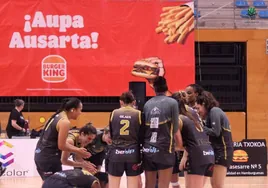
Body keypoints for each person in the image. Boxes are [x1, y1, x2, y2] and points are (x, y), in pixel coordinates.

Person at [34, 98, 91, 181]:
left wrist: (78, 150)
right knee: (54, 184)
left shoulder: (56, 116)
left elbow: (60, 142)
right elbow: (61, 145)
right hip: (49, 158)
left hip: (41, 156)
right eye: (80, 110)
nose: (80, 113)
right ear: (73, 109)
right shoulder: (65, 122)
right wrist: (78, 150)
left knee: (48, 184)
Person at [143, 76, 183, 188]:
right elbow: (175, 128)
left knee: (149, 185)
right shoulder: (172, 103)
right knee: (163, 185)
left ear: (154, 88)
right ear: (166, 87)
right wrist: (180, 146)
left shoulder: (147, 104)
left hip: (148, 149)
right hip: (164, 149)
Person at [172, 91, 215, 188]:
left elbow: (179, 145)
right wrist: (185, 156)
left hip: (197, 155)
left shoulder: (178, 119)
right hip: (208, 153)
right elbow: (195, 139)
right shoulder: (192, 115)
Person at [196, 91, 233, 188]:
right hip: (216, 152)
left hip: (222, 152)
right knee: (214, 185)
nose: (198, 111)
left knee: (217, 185)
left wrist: (199, 126)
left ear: (204, 103)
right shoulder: (210, 114)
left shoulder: (215, 111)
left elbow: (215, 132)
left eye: (198, 108)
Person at [107, 91, 143, 188]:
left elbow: (111, 133)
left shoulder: (114, 112)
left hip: (116, 152)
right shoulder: (138, 113)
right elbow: (142, 134)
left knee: (113, 186)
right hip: (133, 153)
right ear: (134, 102)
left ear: (121, 102)